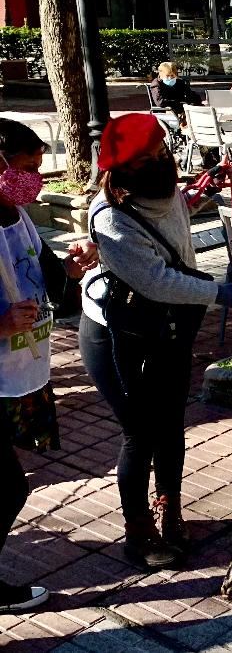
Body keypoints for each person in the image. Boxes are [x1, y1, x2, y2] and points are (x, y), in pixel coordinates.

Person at [79, 114, 232, 570]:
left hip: (167, 325)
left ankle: (169, 504)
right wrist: (218, 292)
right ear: (123, 169)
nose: (161, 161)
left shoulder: (162, 186)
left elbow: (177, 210)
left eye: (162, 152)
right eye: (149, 158)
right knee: (140, 433)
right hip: (118, 334)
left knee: (170, 422)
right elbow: (156, 280)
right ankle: (137, 531)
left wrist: (207, 187)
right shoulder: (110, 217)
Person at [0, 121, 97, 612]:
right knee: (7, 490)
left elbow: (51, 282)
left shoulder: (18, 216)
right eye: (26, 167)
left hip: (22, 373)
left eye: (39, 167)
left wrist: (71, 269)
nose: (35, 179)